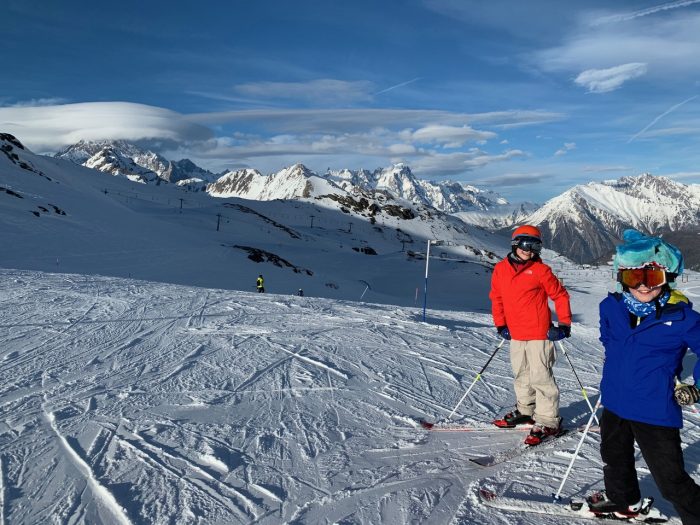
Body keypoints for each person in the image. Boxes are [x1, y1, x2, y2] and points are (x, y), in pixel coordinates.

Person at [588, 229, 700, 523]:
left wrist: (697, 385)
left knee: (670, 479)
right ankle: (623, 501)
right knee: (614, 459)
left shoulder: (682, 317)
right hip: (614, 400)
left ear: (668, 278)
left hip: (654, 408)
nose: (643, 286)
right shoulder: (609, 307)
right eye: (633, 277)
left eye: (653, 278)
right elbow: (609, 340)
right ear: (621, 277)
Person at [489, 225, 572, 445]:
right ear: (516, 244)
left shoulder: (541, 271)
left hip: (539, 333)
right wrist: (500, 324)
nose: (530, 250)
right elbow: (496, 298)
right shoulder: (500, 269)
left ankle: (548, 420)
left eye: (536, 246)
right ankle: (525, 410)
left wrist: (563, 324)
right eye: (527, 244)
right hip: (516, 333)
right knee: (521, 374)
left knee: (541, 377)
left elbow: (560, 296)